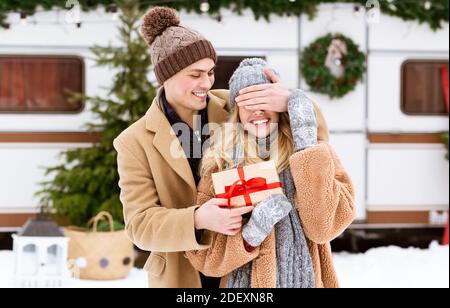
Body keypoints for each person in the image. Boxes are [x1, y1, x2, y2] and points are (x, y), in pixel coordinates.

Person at [114, 7, 329, 288]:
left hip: (243, 267)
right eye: (195, 74)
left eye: (210, 72)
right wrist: (198, 218)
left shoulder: (231, 104)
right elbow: (139, 226)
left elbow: (315, 136)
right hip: (181, 275)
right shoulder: (133, 142)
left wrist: (291, 100)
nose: (207, 82)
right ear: (166, 76)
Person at [185, 58, 356, 288]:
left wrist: (300, 117)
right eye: (248, 101)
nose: (257, 110)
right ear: (236, 111)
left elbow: (324, 227)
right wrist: (252, 233)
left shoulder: (313, 151)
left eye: (264, 99)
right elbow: (205, 258)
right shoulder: (221, 163)